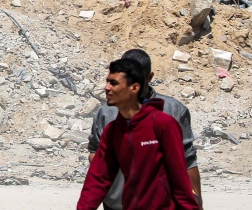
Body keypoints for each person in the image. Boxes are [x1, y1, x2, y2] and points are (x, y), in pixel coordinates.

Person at [77, 58, 199, 210]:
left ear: (134, 88)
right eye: (107, 81)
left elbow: (179, 177)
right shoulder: (113, 131)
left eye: (113, 83)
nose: (106, 87)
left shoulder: (162, 124)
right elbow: (98, 178)